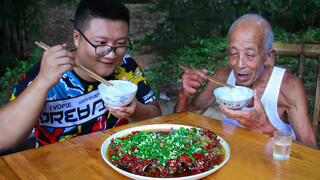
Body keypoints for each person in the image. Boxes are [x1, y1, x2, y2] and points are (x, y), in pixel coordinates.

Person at [0, 0, 161, 151]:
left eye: (120, 44)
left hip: (117, 159)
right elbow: (3, 137)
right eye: (101, 43)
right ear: (77, 38)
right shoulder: (46, 73)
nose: (111, 55)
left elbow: (156, 117)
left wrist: (135, 109)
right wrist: (42, 82)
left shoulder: (126, 67)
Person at [174, 14, 318, 149]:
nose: (240, 64)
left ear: (268, 56)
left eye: (250, 55)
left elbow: (312, 152)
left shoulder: (288, 87)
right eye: (233, 54)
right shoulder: (223, 77)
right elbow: (181, 121)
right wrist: (184, 95)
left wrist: (265, 128)